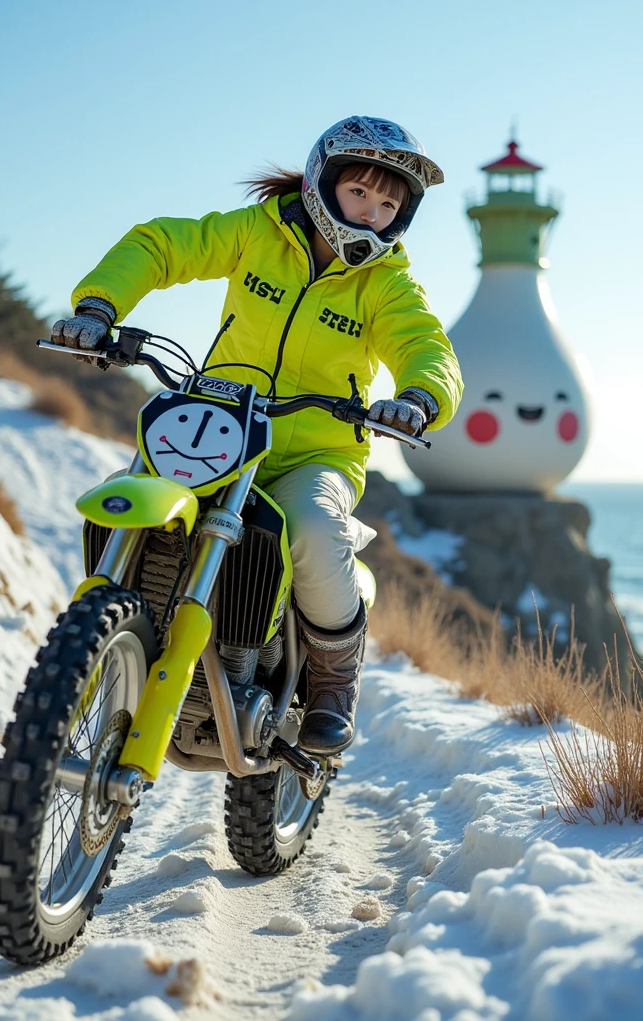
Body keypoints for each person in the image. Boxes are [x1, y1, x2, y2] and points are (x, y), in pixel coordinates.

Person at [51, 116, 464, 756]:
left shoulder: (387, 282)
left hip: (316, 451)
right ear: (322, 182)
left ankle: (332, 676)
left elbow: (424, 345)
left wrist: (417, 398)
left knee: (314, 529)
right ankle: (98, 638)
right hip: (218, 425)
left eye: (390, 204)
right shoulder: (256, 232)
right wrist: (100, 308)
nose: (373, 212)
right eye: (360, 193)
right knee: (124, 491)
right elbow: (163, 245)